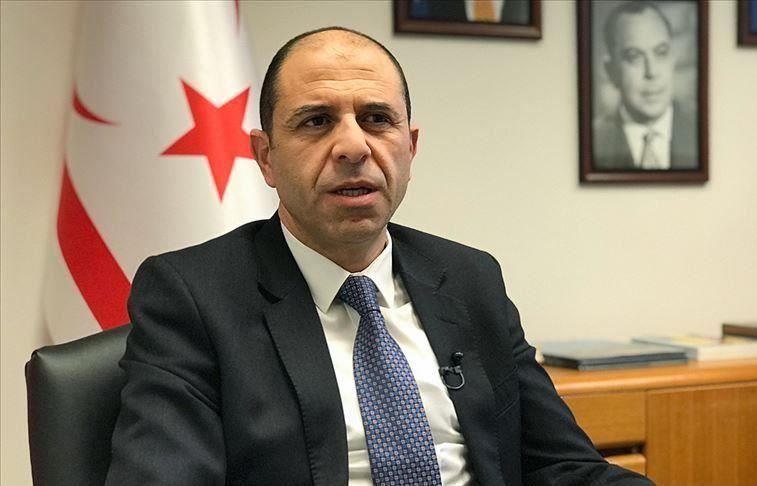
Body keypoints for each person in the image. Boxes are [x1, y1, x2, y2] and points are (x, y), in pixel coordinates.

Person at [105, 27, 651, 485]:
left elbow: (562, 466)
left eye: (376, 119)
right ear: (265, 157)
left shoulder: (469, 278)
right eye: (317, 121)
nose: (353, 147)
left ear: (410, 147)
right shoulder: (193, 295)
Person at [593, 1, 698, 171]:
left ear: (673, 59)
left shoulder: (700, 129)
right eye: (634, 56)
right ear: (610, 71)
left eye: (661, 52)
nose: (651, 72)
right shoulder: (594, 140)